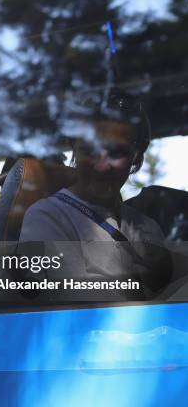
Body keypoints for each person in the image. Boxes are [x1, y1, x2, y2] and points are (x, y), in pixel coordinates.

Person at [19, 88, 171, 298]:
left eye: (117, 153)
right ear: (72, 144)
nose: (101, 166)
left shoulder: (147, 227)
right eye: (90, 150)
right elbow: (80, 305)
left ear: (137, 156)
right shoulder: (46, 217)